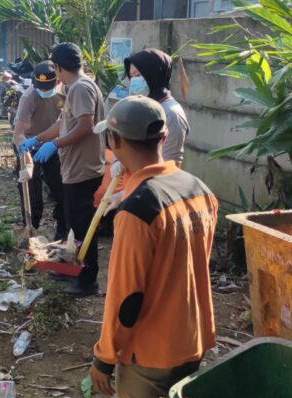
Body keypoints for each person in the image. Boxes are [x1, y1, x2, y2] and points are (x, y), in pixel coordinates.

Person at [89, 96, 217, 398]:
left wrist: (104, 358)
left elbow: (125, 296)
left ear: (114, 139)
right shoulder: (199, 189)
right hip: (192, 339)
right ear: (164, 136)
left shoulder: (138, 211)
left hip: (150, 353)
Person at [21, 43, 105, 297]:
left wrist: (53, 145)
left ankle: (87, 280)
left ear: (58, 67)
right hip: (75, 168)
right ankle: (72, 269)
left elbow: (85, 126)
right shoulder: (73, 88)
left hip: (84, 169)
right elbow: (63, 123)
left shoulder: (80, 88)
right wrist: (37, 139)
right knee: (73, 224)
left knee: (81, 227)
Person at [12, 61, 68, 240]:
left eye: (48, 87)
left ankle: (62, 228)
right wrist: (27, 157)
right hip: (28, 144)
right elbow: (18, 134)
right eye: (40, 87)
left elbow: (65, 121)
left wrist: (54, 143)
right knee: (31, 190)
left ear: (57, 81)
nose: (44, 91)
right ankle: (31, 229)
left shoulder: (64, 92)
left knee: (60, 188)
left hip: (51, 145)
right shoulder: (29, 97)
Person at [124, 48, 189, 166]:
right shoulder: (143, 106)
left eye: (138, 75)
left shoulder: (171, 113)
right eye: (132, 76)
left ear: (153, 75)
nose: (134, 81)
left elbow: (170, 164)